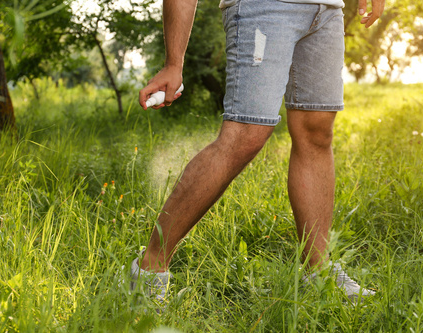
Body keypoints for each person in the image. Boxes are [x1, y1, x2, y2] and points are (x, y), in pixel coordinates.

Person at [131, 0, 386, 305]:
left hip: (327, 11)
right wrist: (174, 62)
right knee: (244, 135)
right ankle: (148, 270)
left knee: (317, 132)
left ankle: (319, 273)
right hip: (264, 8)